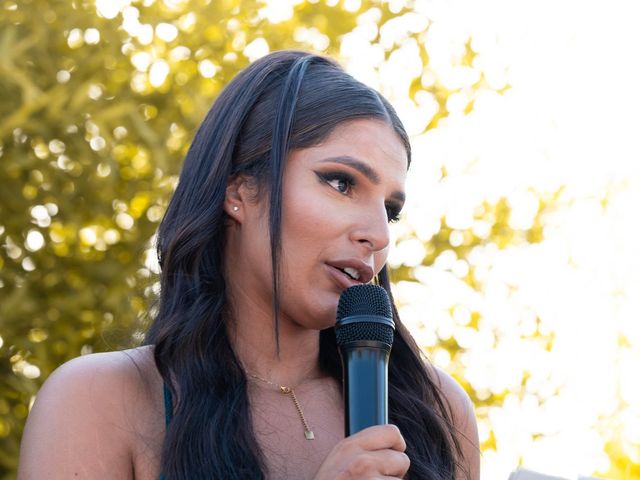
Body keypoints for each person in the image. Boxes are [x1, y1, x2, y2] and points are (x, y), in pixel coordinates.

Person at [18, 50, 480, 479]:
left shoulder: (436, 411)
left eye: (391, 210)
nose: (377, 235)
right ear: (238, 191)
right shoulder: (99, 401)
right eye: (341, 183)